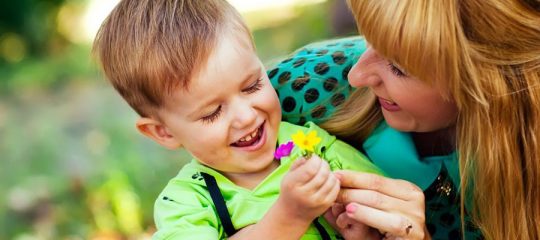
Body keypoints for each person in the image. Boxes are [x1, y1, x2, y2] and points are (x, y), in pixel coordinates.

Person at [93, 0, 384, 239]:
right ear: (163, 132)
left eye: (252, 86)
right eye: (212, 113)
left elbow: (389, 209)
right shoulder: (186, 203)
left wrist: (365, 232)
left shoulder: (314, 147)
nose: (246, 116)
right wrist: (288, 217)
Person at [270, 0, 540, 239]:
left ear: (489, 83)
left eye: (398, 68)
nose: (357, 76)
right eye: (368, 36)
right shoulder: (302, 88)